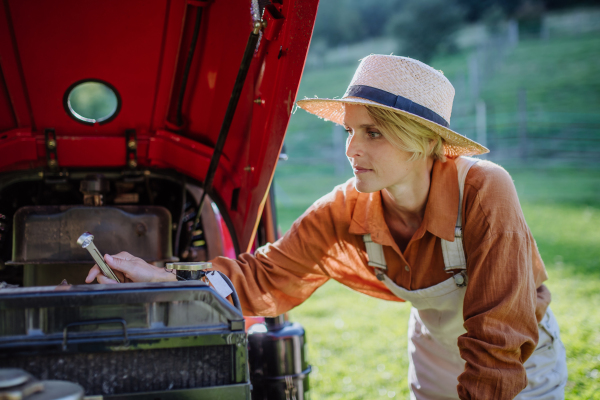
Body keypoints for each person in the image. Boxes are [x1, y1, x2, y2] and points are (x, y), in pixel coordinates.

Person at [86, 55, 568, 399]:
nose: (351, 150)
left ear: (422, 142)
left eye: (372, 133)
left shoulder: (484, 189)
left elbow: (499, 333)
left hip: (517, 358)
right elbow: (262, 277)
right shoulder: (347, 206)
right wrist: (165, 277)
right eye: (349, 131)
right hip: (435, 353)